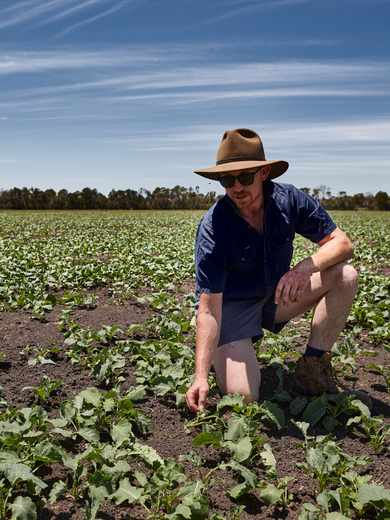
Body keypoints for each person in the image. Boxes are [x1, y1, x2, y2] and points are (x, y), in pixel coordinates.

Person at [185, 128, 372, 412]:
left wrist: (304, 268)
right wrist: (199, 377)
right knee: (245, 397)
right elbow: (210, 309)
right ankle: (220, 356)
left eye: (245, 177)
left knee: (345, 275)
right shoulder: (214, 227)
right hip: (230, 309)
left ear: (264, 173)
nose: (237, 188)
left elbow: (342, 244)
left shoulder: (290, 200)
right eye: (227, 180)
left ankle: (312, 373)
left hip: (275, 296)